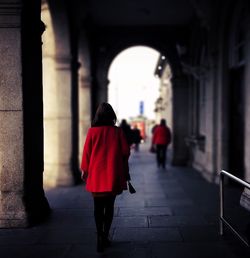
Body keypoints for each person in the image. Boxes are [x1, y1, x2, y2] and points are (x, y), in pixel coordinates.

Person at [81, 102, 130, 252]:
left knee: (97, 208)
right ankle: (105, 235)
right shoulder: (117, 132)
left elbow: (86, 154)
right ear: (112, 116)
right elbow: (125, 152)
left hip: (96, 175)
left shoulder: (92, 132)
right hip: (112, 175)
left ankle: (99, 236)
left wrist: (85, 170)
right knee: (109, 207)